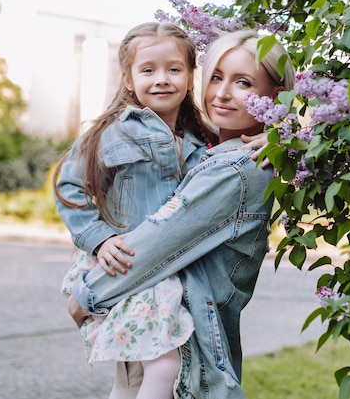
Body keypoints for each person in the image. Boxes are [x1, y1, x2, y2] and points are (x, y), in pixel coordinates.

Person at [68, 29, 295, 398]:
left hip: (188, 350)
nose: (221, 94)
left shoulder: (237, 168)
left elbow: (159, 239)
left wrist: (87, 293)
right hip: (156, 318)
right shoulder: (209, 148)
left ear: (275, 97)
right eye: (216, 77)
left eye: (243, 83)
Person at [55, 21, 219, 399]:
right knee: (161, 366)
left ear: (191, 75)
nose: (162, 79)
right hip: (129, 266)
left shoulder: (203, 138)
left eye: (174, 69)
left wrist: (267, 137)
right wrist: (99, 240)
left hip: (174, 271)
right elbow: (69, 187)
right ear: (128, 79)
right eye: (148, 70)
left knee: (133, 378)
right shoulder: (111, 133)